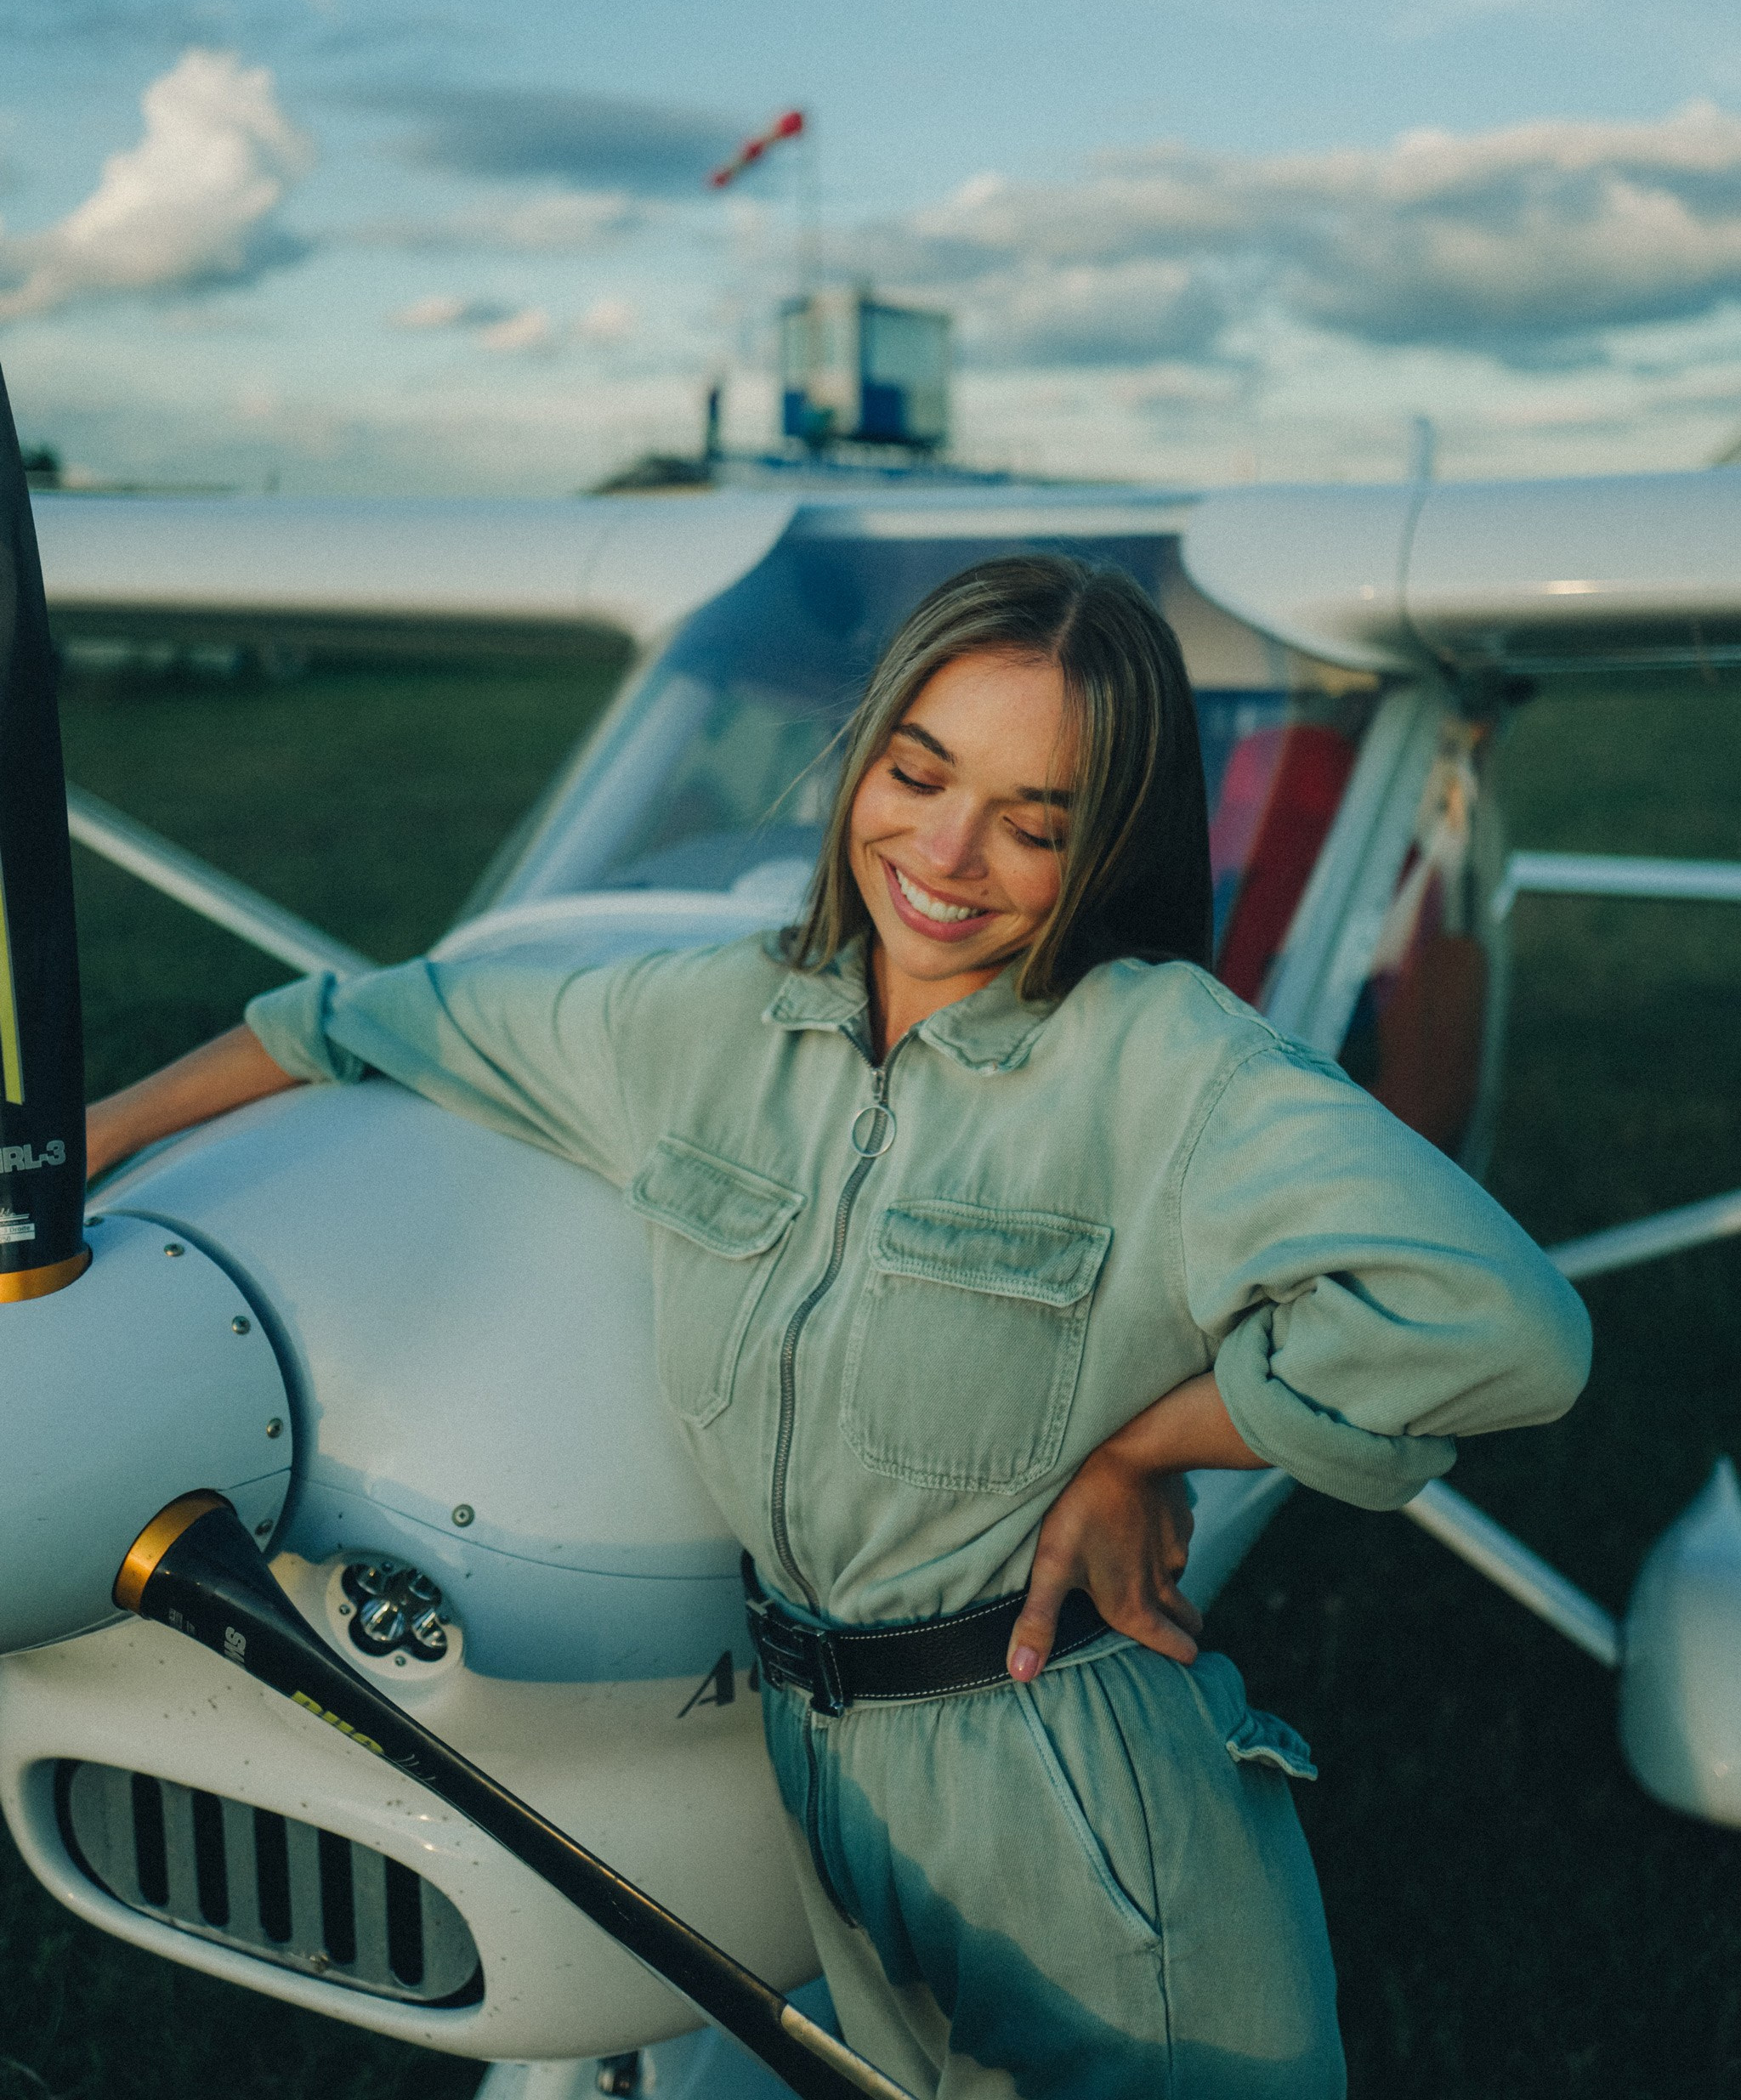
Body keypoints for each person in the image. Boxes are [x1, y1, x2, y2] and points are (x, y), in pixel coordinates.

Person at [87, 556, 1591, 2099]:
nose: (945, 853)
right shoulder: (705, 1026)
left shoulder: (1162, 1060)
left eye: (1033, 821)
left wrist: (1155, 1441)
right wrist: (87, 1142)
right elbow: (359, 1018)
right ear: (862, 754)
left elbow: (1505, 1324)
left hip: (1070, 1788)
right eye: (916, 772)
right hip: (814, 1774)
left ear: (1110, 848)